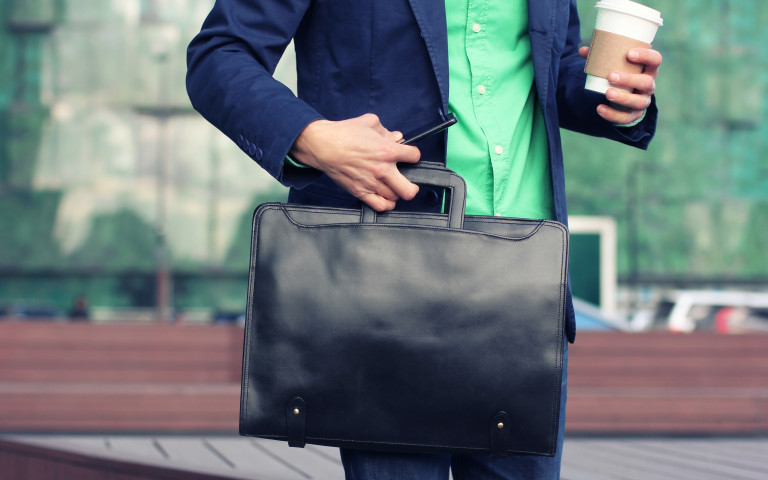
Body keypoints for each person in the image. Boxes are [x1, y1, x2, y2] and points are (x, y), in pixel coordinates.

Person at [187, 0, 661, 478]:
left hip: (524, 282)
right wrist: (315, 139)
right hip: (386, 280)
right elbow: (220, 55)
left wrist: (617, 97)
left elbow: (548, 66)